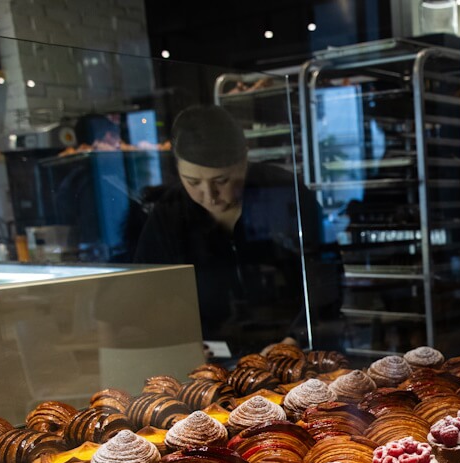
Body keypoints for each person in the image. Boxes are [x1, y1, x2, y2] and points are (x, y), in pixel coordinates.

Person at [132, 105, 341, 357]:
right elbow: (147, 293)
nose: (209, 196)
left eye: (221, 181)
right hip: (211, 361)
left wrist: (295, 339)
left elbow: (326, 274)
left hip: (296, 353)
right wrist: (180, 341)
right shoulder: (169, 212)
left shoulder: (283, 192)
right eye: (193, 182)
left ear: (244, 160)